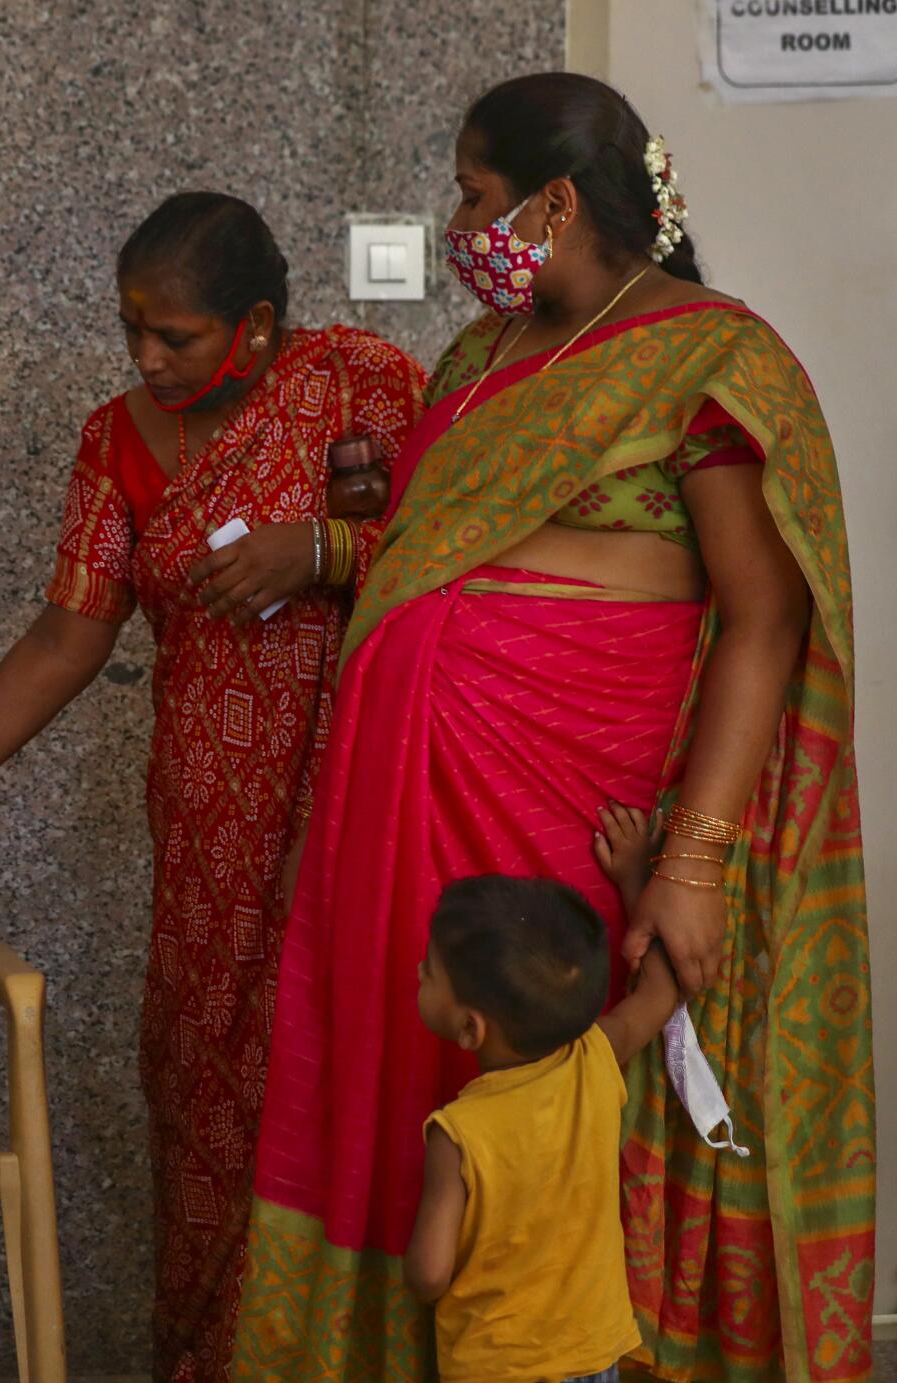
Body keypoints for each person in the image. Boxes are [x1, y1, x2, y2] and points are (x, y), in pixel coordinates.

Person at [233, 74, 868, 1381]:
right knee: (413, 1090)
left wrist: (691, 857)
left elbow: (763, 617)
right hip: (399, 813)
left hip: (566, 815)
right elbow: (435, 551)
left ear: (556, 201)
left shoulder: (709, 356)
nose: (460, 220)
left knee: (551, 1100)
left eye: (473, 194)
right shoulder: (478, 355)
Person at [0, 192, 426, 1380]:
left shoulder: (363, 384)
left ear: (253, 326)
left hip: (366, 794)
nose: (145, 355)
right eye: (130, 328)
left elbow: (466, 549)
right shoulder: (117, 441)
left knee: (355, 1083)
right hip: (204, 823)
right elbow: (65, 637)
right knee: (205, 1099)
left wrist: (329, 549)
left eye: (174, 336)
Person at [407, 808, 682, 1383]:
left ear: (470, 1031)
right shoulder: (597, 1059)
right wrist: (634, 879)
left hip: (498, 1366)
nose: (417, 971)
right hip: (592, 1351)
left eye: (429, 972)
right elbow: (661, 989)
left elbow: (430, 1273)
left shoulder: (457, 1133)